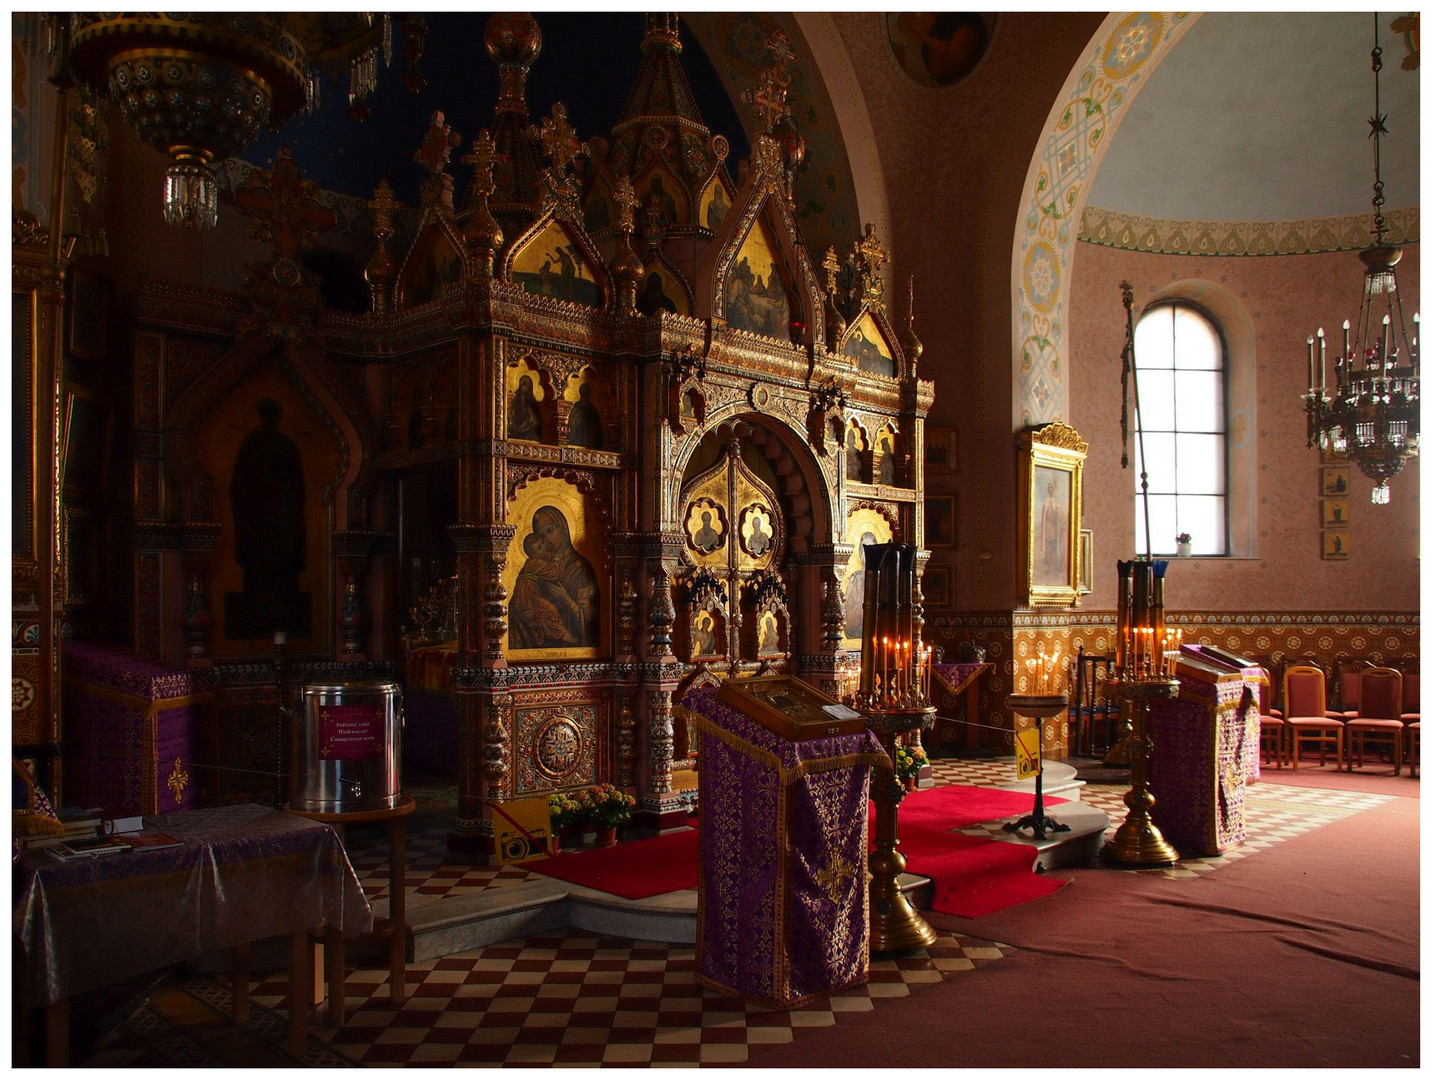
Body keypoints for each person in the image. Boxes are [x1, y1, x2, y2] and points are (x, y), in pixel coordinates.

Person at [230, 397, 306, 629]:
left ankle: (280, 611)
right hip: (261, 520)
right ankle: (259, 611)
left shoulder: (283, 445)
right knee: (260, 568)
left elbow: (298, 488)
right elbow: (239, 485)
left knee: (280, 567)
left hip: (280, 520)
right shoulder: (255, 443)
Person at [510, 506, 600, 649]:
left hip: (575, 647)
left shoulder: (580, 568)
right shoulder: (537, 566)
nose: (548, 539)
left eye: (550, 531)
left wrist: (566, 599)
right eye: (542, 536)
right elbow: (518, 607)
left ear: (563, 528)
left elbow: (592, 618)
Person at [566, 382, 603, 449]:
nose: (586, 395)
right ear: (581, 393)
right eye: (584, 393)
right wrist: (577, 422)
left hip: (590, 441)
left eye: (587, 393)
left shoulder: (593, 410)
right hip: (577, 439)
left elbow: (597, 428)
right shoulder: (576, 407)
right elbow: (571, 424)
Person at [508, 375, 542, 441]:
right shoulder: (514, 398)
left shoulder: (531, 400)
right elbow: (511, 410)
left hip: (527, 426)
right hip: (515, 422)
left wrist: (530, 417)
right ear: (520, 385)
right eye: (524, 385)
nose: (526, 388)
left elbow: (534, 416)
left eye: (528, 386)